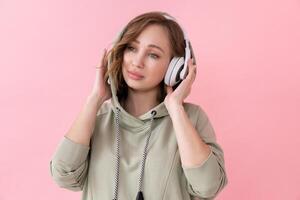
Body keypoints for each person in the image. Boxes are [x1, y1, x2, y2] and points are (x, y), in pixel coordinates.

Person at [49, 11, 228, 200]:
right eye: (132, 48)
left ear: (175, 67)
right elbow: (63, 176)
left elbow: (208, 186)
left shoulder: (190, 118)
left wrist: (175, 108)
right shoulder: (97, 117)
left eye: (153, 55)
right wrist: (95, 99)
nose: (137, 62)